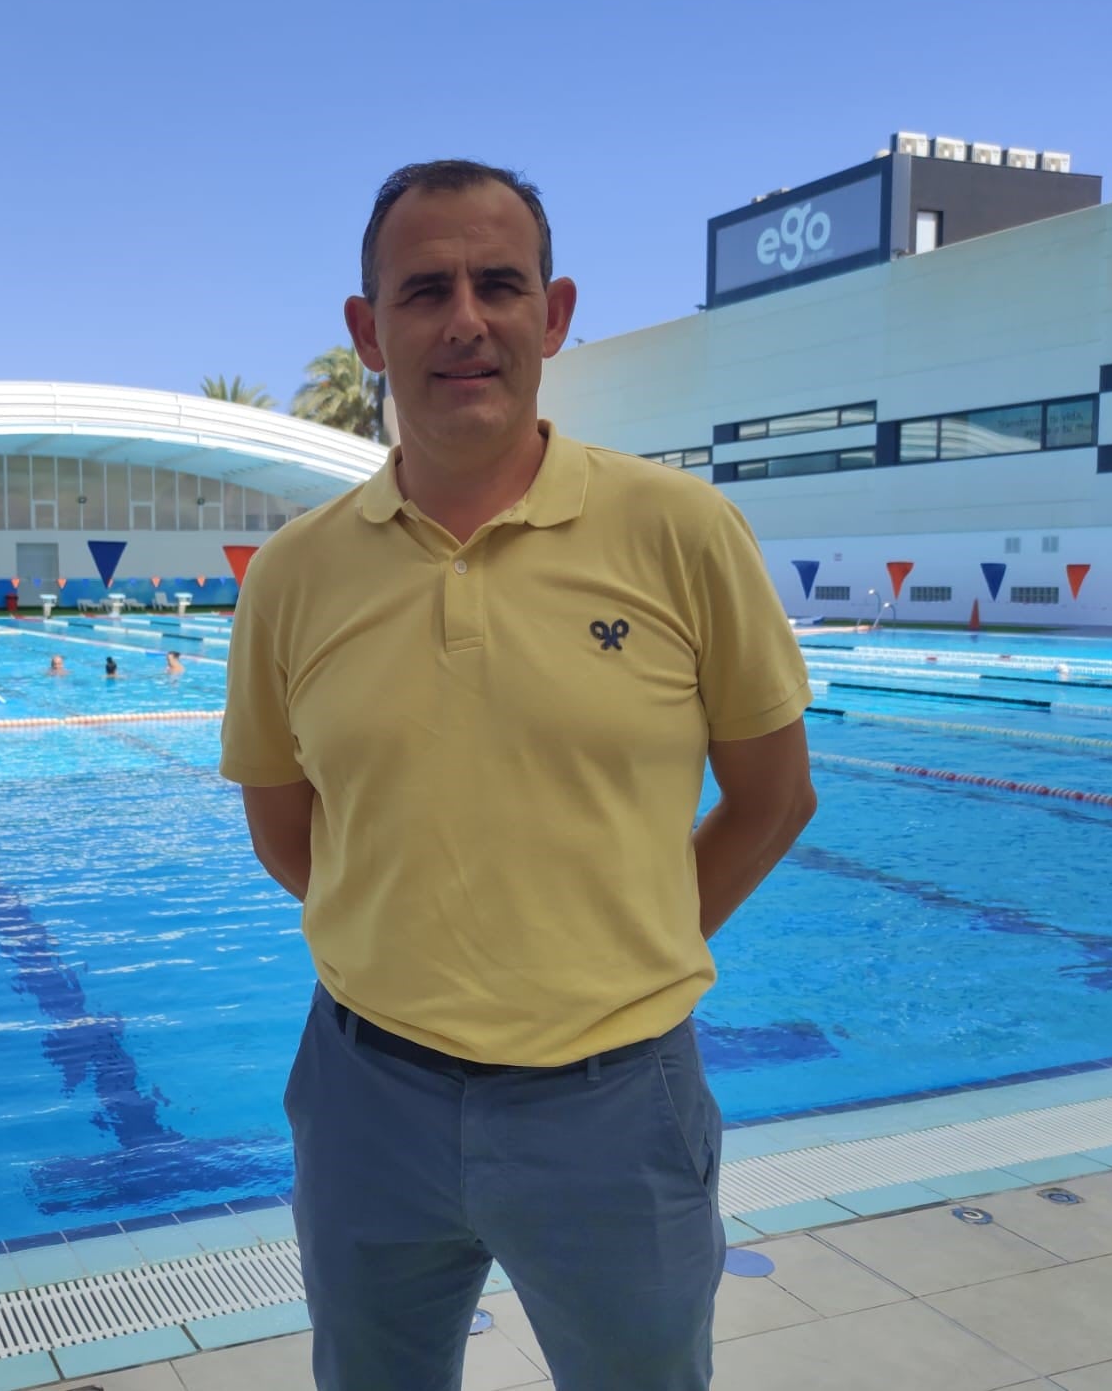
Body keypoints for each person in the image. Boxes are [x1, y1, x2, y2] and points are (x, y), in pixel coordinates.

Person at [221, 160, 816, 1390]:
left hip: (615, 1101)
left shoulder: (678, 531)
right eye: (423, 289)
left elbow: (772, 796)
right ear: (366, 330)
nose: (464, 320)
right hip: (365, 1093)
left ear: (552, 315)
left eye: (499, 284)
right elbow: (285, 830)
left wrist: (617, 947)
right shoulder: (292, 575)